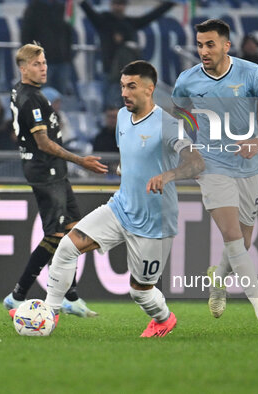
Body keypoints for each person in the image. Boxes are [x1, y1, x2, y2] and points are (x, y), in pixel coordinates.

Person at [42, 60, 204, 336]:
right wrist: (124, 170)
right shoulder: (121, 117)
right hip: (121, 207)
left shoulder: (168, 125)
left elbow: (196, 163)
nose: (125, 93)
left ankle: (164, 319)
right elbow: (133, 155)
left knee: (140, 291)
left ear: (149, 89)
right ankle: (48, 313)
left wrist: (167, 176)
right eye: (122, 87)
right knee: (67, 247)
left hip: (155, 221)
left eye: (132, 87)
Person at [172, 19, 258, 335]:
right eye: (199, 44)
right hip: (211, 166)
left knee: (243, 240)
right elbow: (177, 115)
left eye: (210, 44)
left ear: (226, 45)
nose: (203, 51)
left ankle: (219, 280)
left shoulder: (251, 73)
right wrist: (189, 147)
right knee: (235, 239)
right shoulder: (188, 80)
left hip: (250, 165)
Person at [3, 43, 108, 317]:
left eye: (45, 63)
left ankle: (70, 296)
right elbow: (43, 143)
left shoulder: (24, 91)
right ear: (24, 68)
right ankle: (18, 294)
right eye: (37, 64)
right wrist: (80, 160)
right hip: (46, 172)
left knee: (73, 231)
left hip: (54, 171)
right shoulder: (31, 99)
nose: (43, 68)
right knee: (56, 235)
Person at [79, 0, 176, 107]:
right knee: (110, 107)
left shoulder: (130, 23)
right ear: (111, 5)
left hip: (129, 75)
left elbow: (151, 16)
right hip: (110, 72)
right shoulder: (103, 21)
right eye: (116, 4)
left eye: (121, 4)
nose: (118, 7)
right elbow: (90, 12)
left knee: (129, 107)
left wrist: (169, 4)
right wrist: (82, 3)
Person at [21, 0, 80, 100]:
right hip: (41, 62)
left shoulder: (62, 8)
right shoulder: (33, 9)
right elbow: (25, 35)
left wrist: (68, 56)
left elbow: (69, 33)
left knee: (60, 97)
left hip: (62, 61)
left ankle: (58, 115)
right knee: (41, 95)